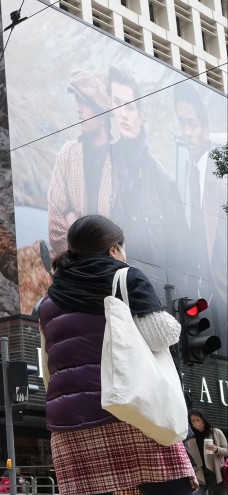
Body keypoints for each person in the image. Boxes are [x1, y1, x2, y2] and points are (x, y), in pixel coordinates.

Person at [39, 215, 226, 495]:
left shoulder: (49, 300)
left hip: (70, 424)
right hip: (132, 414)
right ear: (114, 247)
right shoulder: (123, 276)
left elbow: (49, 365)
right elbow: (160, 335)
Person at [107, 65, 188, 279]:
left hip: (151, 291)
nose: (123, 114)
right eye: (117, 104)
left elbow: (181, 259)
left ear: (141, 115)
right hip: (110, 287)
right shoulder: (105, 166)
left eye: (129, 107)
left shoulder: (162, 181)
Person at [174, 86, 227, 340]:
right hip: (203, 296)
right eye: (182, 124)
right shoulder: (190, 173)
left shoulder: (220, 176)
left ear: (205, 130)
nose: (187, 132)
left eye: (192, 124)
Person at [47, 69, 113, 257]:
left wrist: (73, 220)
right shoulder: (67, 155)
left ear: (102, 115)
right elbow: (55, 228)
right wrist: (85, 257)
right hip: (77, 270)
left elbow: (125, 230)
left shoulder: (121, 161)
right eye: (77, 101)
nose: (78, 108)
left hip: (113, 271)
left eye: (84, 102)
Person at [185, 409, 228, 495]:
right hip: (200, 475)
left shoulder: (216, 432)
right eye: (193, 421)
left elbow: (226, 451)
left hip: (216, 473)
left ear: (204, 419)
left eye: (198, 420)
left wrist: (216, 449)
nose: (195, 423)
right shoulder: (190, 437)